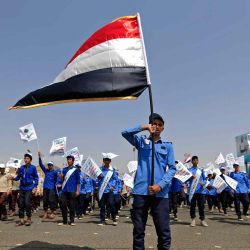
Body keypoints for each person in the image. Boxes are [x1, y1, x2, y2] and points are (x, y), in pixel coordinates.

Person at [122, 113, 176, 250]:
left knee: (163, 232)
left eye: (160, 125)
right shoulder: (141, 142)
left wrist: (160, 185)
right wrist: (144, 127)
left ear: (163, 128)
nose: (156, 127)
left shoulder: (168, 146)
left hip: (160, 194)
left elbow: (172, 169)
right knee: (138, 232)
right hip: (141, 192)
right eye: (154, 124)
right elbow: (125, 133)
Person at [9, 153, 38, 226]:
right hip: (22, 188)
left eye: (27, 158)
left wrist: (35, 187)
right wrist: (13, 178)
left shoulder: (33, 168)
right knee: (21, 203)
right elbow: (18, 177)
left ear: (30, 160)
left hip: (29, 187)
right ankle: (21, 220)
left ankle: (28, 219)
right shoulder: (21, 167)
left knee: (27, 203)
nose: (26, 159)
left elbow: (36, 178)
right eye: (25, 158)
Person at [58, 155, 80, 226]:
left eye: (70, 159)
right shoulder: (64, 169)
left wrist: (77, 190)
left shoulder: (75, 170)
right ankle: (64, 221)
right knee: (63, 205)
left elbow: (78, 181)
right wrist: (61, 177)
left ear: (73, 161)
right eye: (67, 159)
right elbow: (62, 180)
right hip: (64, 190)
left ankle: (72, 220)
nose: (68, 160)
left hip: (72, 190)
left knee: (72, 206)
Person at [186, 156, 208, 227]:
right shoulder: (189, 170)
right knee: (192, 206)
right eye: (194, 160)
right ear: (192, 162)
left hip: (200, 191)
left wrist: (203, 183)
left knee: (201, 206)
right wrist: (190, 177)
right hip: (192, 191)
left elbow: (205, 179)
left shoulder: (201, 170)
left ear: (198, 161)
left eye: (196, 160)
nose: (195, 161)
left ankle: (202, 220)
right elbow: (186, 180)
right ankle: (193, 220)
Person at [98, 154, 118, 226]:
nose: (106, 161)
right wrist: (99, 176)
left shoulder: (112, 170)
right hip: (102, 190)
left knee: (112, 204)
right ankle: (102, 220)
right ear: (103, 160)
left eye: (108, 160)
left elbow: (115, 179)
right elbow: (97, 178)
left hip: (110, 190)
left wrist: (113, 186)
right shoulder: (100, 169)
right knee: (102, 206)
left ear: (110, 161)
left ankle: (114, 218)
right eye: (105, 160)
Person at [38, 151, 58, 219]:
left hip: (52, 188)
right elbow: (41, 165)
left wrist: (58, 183)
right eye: (48, 165)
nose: (49, 166)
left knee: (51, 200)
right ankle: (46, 213)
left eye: (50, 165)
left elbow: (58, 178)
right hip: (45, 188)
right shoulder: (46, 171)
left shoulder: (55, 172)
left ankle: (52, 213)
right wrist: (39, 157)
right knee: (45, 200)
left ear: (52, 166)